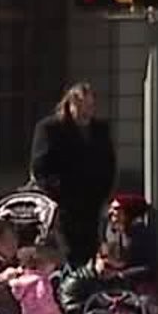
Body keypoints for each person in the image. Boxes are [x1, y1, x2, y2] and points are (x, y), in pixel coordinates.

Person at [30, 82, 116, 267]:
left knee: (92, 254)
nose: (86, 112)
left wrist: (103, 196)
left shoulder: (100, 130)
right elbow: (41, 167)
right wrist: (59, 195)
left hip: (92, 205)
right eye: (81, 106)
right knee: (69, 255)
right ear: (69, 105)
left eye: (90, 107)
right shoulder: (50, 129)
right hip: (64, 205)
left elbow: (109, 164)